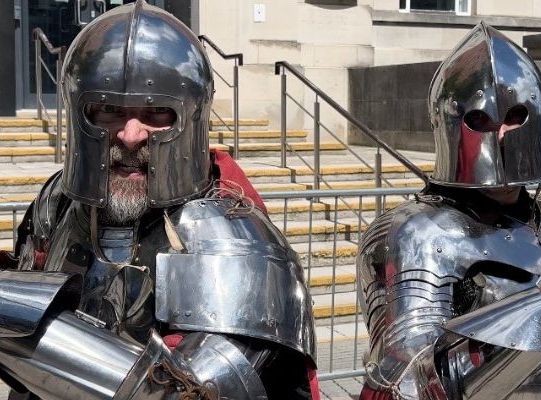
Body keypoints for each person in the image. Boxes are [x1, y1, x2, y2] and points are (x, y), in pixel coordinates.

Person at [0, 1, 318, 399]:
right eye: (108, 111)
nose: (130, 135)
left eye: (155, 114)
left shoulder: (230, 236)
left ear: (191, 117)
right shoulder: (56, 203)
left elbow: (185, 391)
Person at [357, 22, 541, 399]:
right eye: (481, 120)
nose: (501, 134)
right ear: (451, 126)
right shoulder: (418, 233)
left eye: (516, 117)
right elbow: (407, 381)